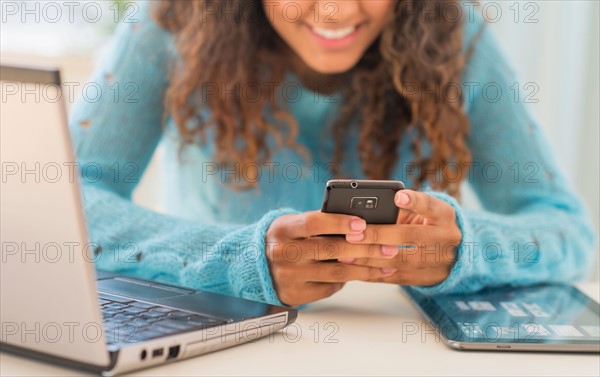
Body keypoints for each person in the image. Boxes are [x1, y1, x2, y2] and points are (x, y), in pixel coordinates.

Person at [69, 0, 596, 307]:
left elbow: (566, 229)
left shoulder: (453, 33)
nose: (336, 10)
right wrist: (236, 259)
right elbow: (67, 203)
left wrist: (465, 246)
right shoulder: (171, 20)